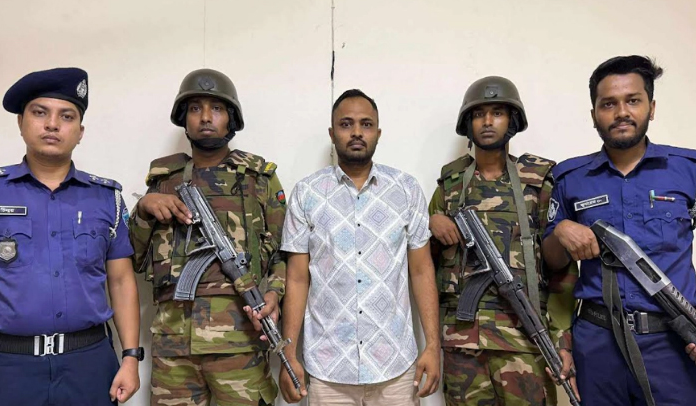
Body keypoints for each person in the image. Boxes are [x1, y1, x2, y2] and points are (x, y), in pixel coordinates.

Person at [0, 67, 141, 405]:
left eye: (66, 116)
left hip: (88, 364)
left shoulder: (105, 198)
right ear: (21, 122)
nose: (52, 124)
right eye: (40, 113)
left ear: (80, 132)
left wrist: (131, 357)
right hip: (5, 366)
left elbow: (122, 281)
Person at [543, 55, 696, 406]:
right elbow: (553, 264)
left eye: (633, 101)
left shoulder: (688, 170)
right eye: (608, 104)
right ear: (594, 113)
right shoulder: (569, 178)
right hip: (598, 345)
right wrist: (561, 230)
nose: (621, 112)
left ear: (651, 108)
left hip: (673, 343)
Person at [129, 68, 285, 406]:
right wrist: (143, 208)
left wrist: (274, 292)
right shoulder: (163, 180)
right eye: (195, 108)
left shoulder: (258, 179)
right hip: (173, 349)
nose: (205, 117)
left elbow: (284, 252)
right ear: (183, 119)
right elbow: (131, 259)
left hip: (240, 343)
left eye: (216, 108)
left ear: (231, 119)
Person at [278, 89, 441, 405]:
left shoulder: (406, 190)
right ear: (332, 133)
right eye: (346, 124)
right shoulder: (306, 193)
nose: (356, 132)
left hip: (395, 365)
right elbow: (297, 278)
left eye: (366, 124)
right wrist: (289, 353)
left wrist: (433, 346)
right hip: (328, 367)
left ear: (378, 133)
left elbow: (422, 271)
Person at [429, 76, 579, 405]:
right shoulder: (450, 187)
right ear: (467, 124)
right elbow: (424, 265)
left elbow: (562, 270)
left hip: (525, 342)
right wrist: (432, 223)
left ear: (512, 120)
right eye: (478, 114)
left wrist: (562, 340)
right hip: (461, 345)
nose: (487, 121)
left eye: (497, 112)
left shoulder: (538, 184)